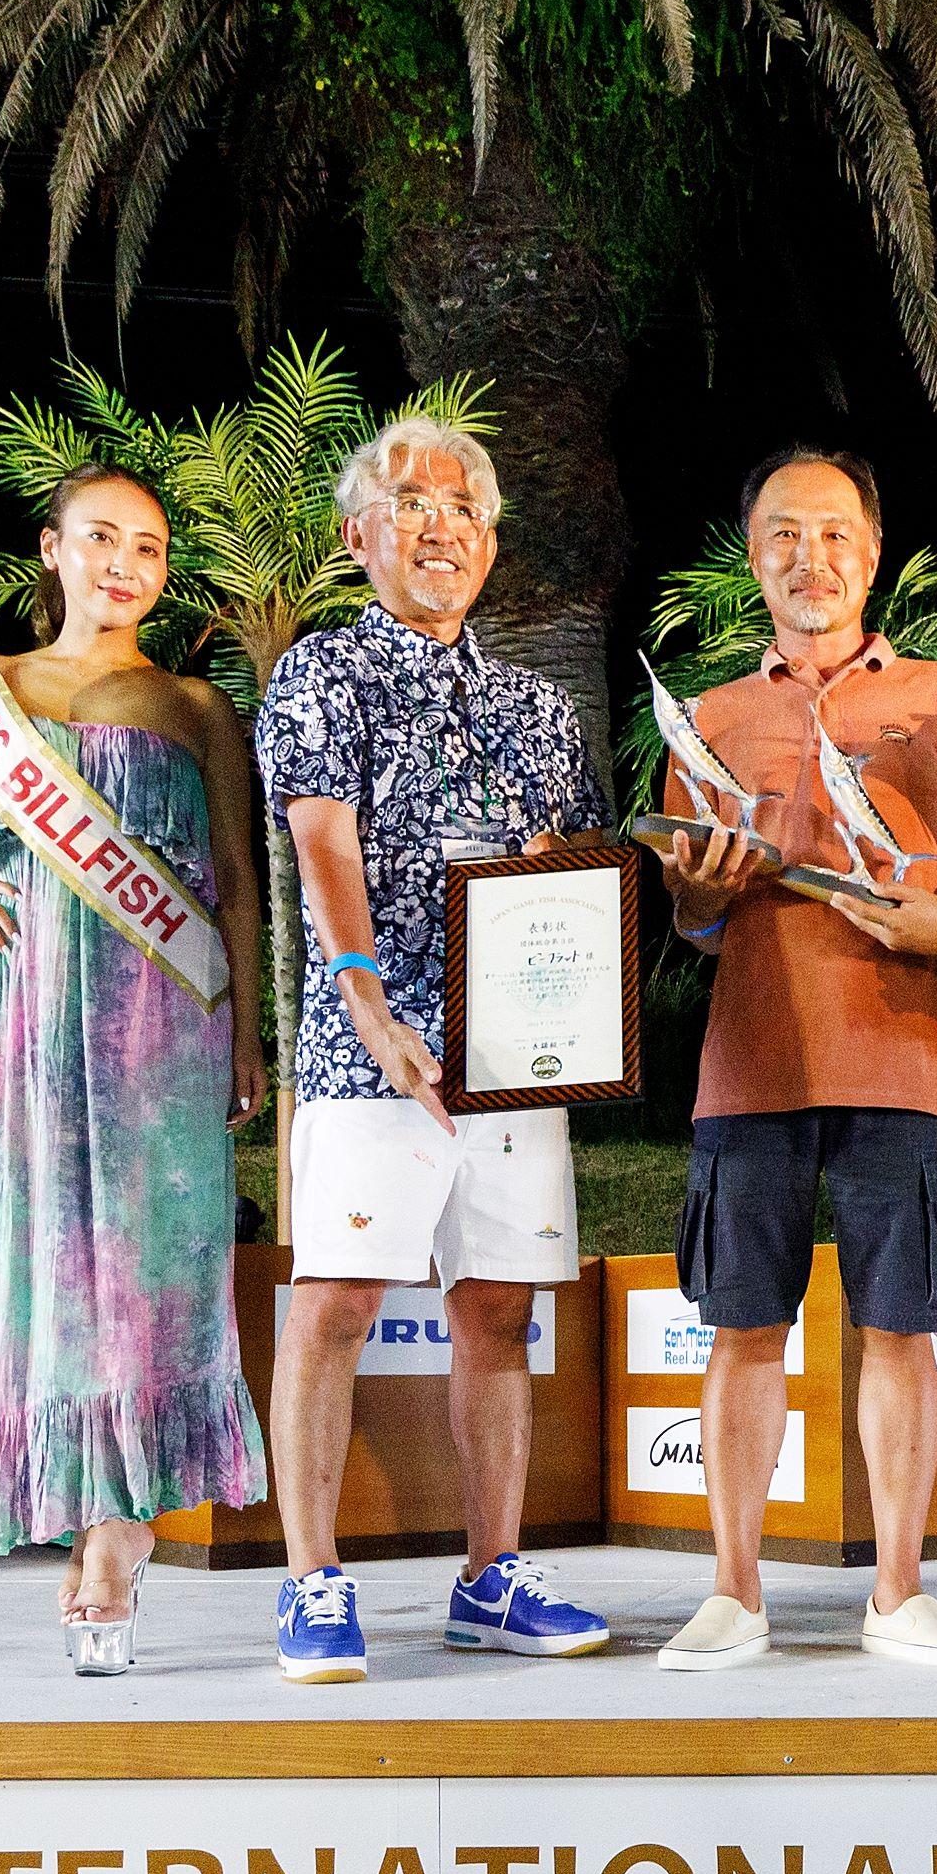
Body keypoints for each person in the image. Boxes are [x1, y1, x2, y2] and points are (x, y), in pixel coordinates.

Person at [0, 464, 271, 1676]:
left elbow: (237, 880)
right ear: (52, 548)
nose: (125, 565)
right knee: (46, 1265)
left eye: (149, 547)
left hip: (161, 1027)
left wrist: (247, 1032)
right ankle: (87, 1507)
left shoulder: (196, 705)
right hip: (26, 1028)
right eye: (101, 537)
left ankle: (118, 1527)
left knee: (149, 1273)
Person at [251, 417, 615, 1686]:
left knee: (498, 1310)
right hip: (374, 1050)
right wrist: (366, 1003)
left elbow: (573, 879)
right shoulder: (321, 674)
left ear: (492, 542)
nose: (439, 525)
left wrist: (577, 1000)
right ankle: (311, 1579)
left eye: (463, 507)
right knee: (337, 1302)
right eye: (409, 502)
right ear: (359, 536)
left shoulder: (540, 709)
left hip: (517, 1060)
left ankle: (490, 1575)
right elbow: (323, 844)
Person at [652, 445, 937, 1670]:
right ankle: (734, 1592)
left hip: (899, 1057)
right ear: (754, 557)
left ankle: (899, 1593)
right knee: (742, 1327)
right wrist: (700, 896)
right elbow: (692, 915)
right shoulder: (709, 717)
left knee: (900, 1327)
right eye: (785, 535)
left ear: (872, 551)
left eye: (835, 534)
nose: (812, 558)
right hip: (750, 1062)